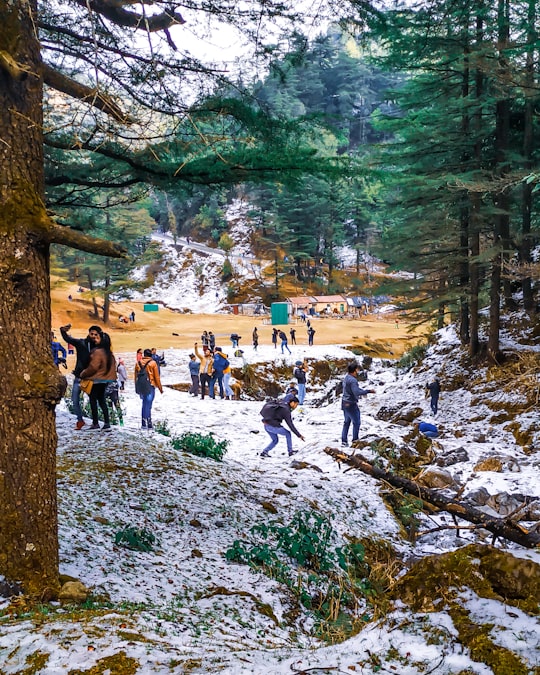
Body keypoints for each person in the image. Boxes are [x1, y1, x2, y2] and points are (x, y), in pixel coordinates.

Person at [60, 324, 97, 430]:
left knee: (93, 400)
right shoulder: (81, 343)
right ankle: (80, 420)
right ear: (89, 333)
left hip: (91, 378)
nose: (93, 336)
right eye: (92, 333)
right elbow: (68, 339)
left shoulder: (98, 347)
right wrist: (63, 332)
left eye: (95, 334)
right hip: (79, 377)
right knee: (74, 399)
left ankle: (95, 422)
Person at [80, 331, 117, 431]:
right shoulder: (109, 353)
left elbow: (93, 367)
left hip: (96, 380)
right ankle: (107, 422)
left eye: (97, 338)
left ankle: (95, 422)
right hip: (105, 381)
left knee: (93, 400)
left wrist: (83, 374)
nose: (95, 339)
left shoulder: (97, 352)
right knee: (102, 401)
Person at [341, 363, 375, 447]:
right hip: (351, 404)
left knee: (346, 422)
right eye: (357, 369)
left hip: (344, 402)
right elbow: (356, 392)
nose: (358, 371)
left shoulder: (346, 378)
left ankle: (344, 441)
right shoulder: (353, 380)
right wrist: (368, 391)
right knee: (356, 422)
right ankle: (355, 440)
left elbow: (353, 389)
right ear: (355, 370)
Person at [134, 348, 163, 429]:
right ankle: (149, 422)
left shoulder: (138, 363)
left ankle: (143, 423)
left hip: (141, 386)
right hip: (150, 385)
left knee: (144, 404)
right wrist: (160, 388)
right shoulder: (153, 363)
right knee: (148, 404)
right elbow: (157, 377)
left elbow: (135, 377)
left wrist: (136, 387)